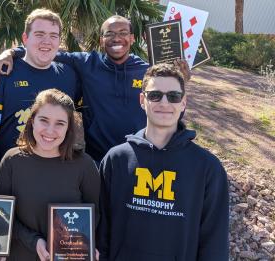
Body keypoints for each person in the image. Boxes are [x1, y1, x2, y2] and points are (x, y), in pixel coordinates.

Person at [0, 15, 190, 163]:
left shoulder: (147, 71)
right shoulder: (87, 63)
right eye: (109, 34)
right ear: (101, 40)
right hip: (96, 159)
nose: (116, 38)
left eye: (123, 33)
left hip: (142, 157)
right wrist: (10, 52)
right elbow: (45, 50)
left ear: (132, 38)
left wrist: (182, 81)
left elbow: (170, 108)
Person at [97, 63, 229, 260]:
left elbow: (214, 243)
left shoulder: (207, 168)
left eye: (173, 96)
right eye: (155, 95)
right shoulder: (116, 159)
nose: (164, 103)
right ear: (142, 100)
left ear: (183, 103)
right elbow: (102, 231)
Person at [0, 89, 100, 260]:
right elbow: (0, 214)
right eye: (44, 120)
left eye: (60, 123)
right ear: (32, 121)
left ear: (69, 128)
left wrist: (84, 244)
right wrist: (34, 241)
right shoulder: (12, 160)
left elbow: (95, 214)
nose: (50, 131)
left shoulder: (84, 165)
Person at [0, 8, 81, 166]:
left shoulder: (69, 76)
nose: (46, 41)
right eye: (39, 34)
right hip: (9, 174)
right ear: (25, 38)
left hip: (58, 174)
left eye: (53, 36)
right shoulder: (1, 72)